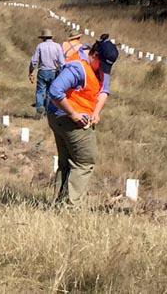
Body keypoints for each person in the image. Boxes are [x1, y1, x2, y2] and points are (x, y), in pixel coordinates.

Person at [47, 34, 119, 206]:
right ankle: (71, 206)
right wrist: (73, 114)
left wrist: (96, 111)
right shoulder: (78, 67)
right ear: (94, 54)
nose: (103, 70)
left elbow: (104, 90)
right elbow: (55, 90)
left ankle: (59, 203)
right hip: (68, 119)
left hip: (64, 117)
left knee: (67, 161)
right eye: (101, 65)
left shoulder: (101, 66)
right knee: (85, 161)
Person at [29, 29, 64, 119]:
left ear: (43, 38)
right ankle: (48, 110)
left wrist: (31, 71)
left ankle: (40, 107)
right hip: (53, 71)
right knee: (50, 92)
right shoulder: (57, 46)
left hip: (43, 71)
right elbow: (62, 62)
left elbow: (34, 61)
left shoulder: (40, 46)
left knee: (40, 91)